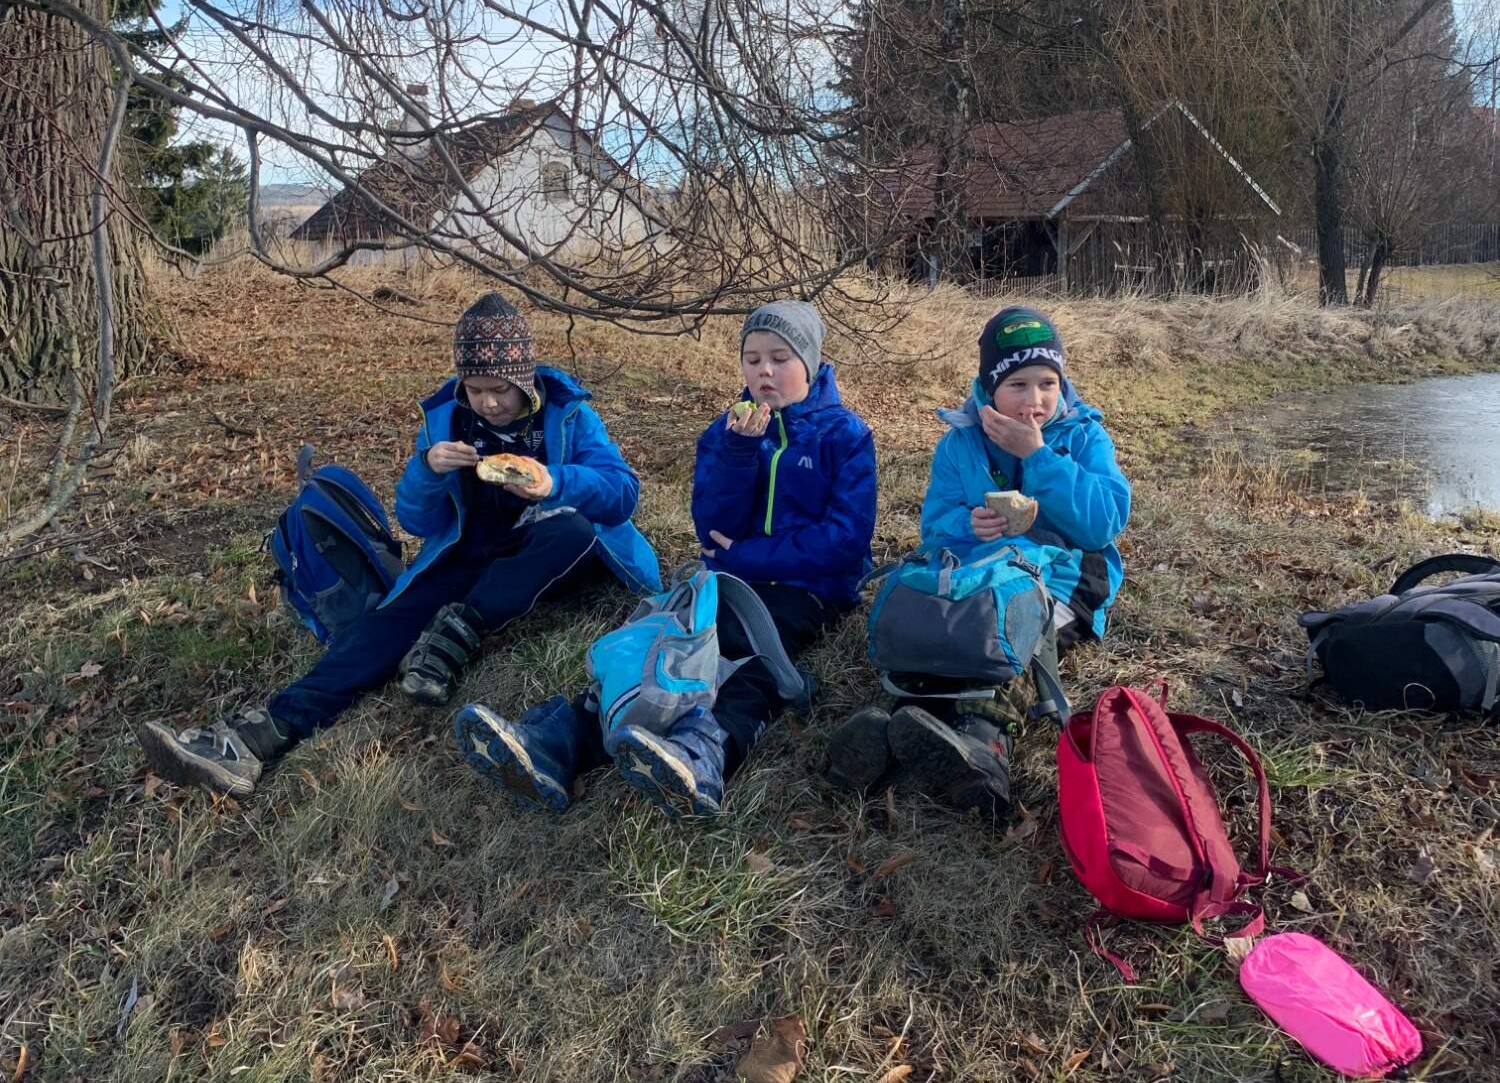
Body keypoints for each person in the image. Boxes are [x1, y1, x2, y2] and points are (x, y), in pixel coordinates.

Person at [135, 293, 659, 799]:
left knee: (572, 530)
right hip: (472, 551)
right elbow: (415, 520)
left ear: (524, 379)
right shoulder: (448, 421)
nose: (489, 402)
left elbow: (622, 493)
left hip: (551, 549)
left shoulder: (568, 415)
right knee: (387, 624)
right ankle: (256, 738)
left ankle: (459, 629)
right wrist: (427, 470)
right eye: (476, 389)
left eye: (500, 389)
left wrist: (554, 482)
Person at [452, 300, 877, 819]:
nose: (764, 371)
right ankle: (557, 740)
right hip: (729, 573)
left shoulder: (845, 436)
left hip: (808, 590)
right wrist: (740, 453)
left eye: (780, 358)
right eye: (752, 359)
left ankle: (702, 754)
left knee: (746, 658)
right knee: (659, 640)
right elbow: (713, 523)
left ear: (809, 363)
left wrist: (747, 558)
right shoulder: (726, 433)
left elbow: (845, 539)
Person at [827, 304, 1129, 811]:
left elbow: (1102, 522)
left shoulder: (1083, 436)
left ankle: (984, 745)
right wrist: (967, 525)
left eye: (1047, 384)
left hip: (1065, 576)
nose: (1034, 400)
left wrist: (1038, 457)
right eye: (1017, 385)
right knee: (945, 628)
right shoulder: (961, 442)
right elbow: (934, 526)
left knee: (1008, 635)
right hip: (980, 568)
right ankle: (894, 729)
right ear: (990, 387)